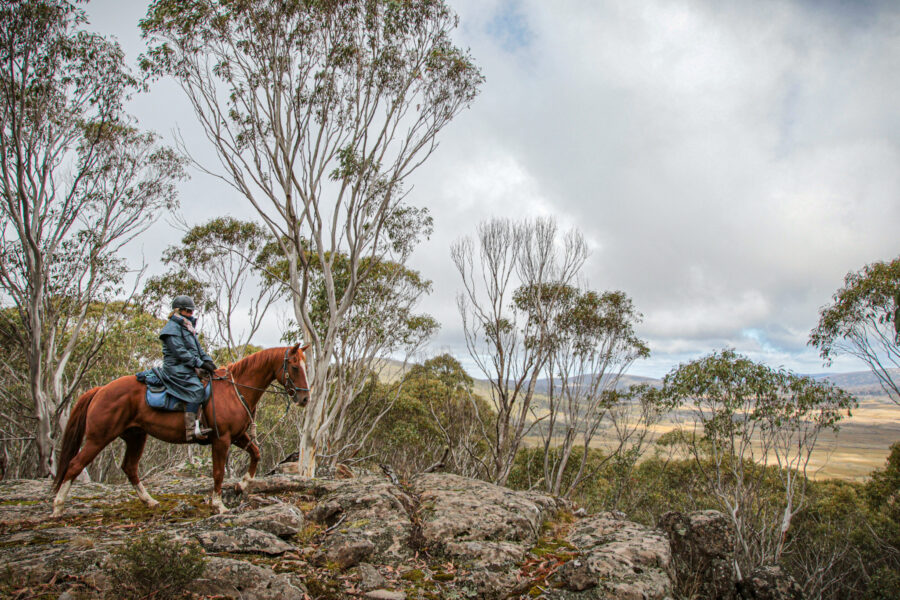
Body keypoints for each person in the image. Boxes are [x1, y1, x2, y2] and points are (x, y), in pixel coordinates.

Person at [158, 296, 217, 442]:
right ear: (179, 310)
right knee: (196, 389)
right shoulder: (171, 329)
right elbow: (181, 353)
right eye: (188, 311)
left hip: (189, 366)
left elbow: (198, 350)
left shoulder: (188, 327)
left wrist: (208, 361)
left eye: (192, 311)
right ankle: (191, 430)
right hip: (176, 368)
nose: (191, 313)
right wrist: (200, 364)